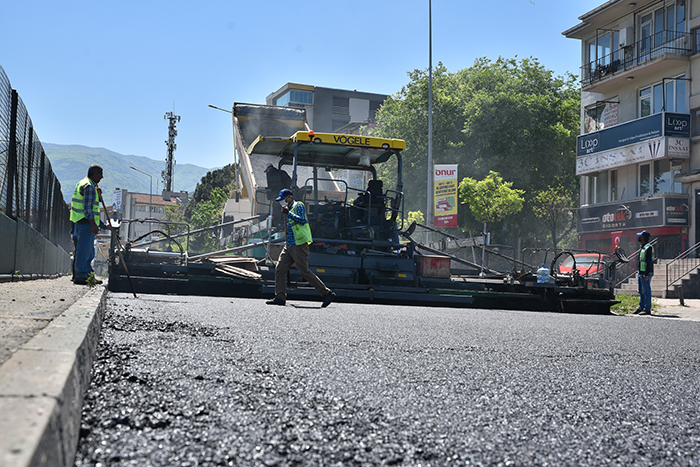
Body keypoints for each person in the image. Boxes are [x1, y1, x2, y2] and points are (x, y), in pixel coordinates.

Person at [266, 188, 336, 307]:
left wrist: (289, 213)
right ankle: (280, 297)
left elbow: (302, 221)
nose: (282, 202)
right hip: (289, 245)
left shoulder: (298, 206)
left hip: (299, 244)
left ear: (289, 197)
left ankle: (327, 293)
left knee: (304, 271)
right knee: (280, 268)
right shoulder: (286, 209)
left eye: (283, 200)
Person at [70, 165, 104, 285]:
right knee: (84, 251)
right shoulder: (89, 186)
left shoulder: (85, 183)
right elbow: (88, 208)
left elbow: (92, 203)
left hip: (81, 222)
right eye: (100, 174)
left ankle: (88, 275)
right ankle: (81, 276)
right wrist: (93, 224)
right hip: (86, 223)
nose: (102, 177)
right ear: (95, 174)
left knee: (87, 251)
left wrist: (99, 195)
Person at [265, 163, 292, 228]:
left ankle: (279, 223)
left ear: (269, 168)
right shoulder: (282, 172)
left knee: (277, 208)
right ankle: (285, 221)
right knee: (285, 207)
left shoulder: (270, 174)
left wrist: (269, 193)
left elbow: (271, 186)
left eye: (266, 170)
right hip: (285, 195)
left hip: (277, 196)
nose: (267, 172)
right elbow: (289, 180)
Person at [634, 230, 654, 315]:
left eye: (640, 237)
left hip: (646, 273)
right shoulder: (643, 247)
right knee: (641, 291)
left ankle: (647, 309)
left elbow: (649, 262)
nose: (639, 238)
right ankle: (641, 307)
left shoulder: (648, 247)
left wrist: (646, 274)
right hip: (641, 272)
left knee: (646, 291)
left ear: (644, 238)